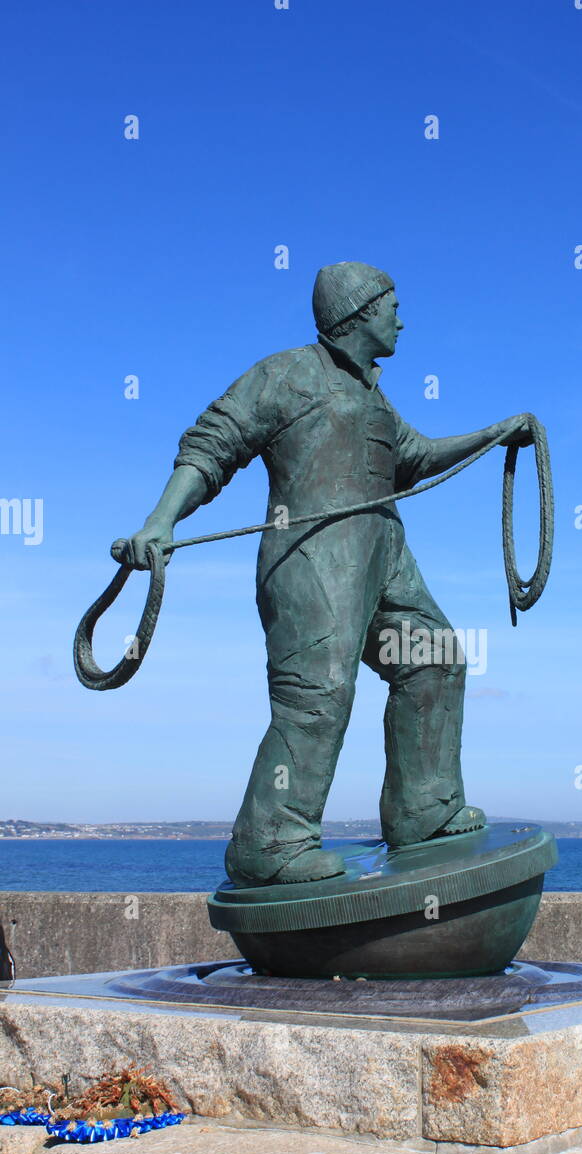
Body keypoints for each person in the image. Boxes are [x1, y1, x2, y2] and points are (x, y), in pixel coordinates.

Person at [123, 262, 530, 886]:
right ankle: (269, 841)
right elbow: (213, 444)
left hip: (384, 555)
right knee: (319, 695)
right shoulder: (285, 374)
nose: (402, 318)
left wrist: (494, 435)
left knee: (435, 658)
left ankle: (423, 808)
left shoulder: (374, 397)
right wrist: (161, 520)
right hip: (310, 557)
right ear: (360, 314)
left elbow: (415, 458)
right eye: (392, 305)